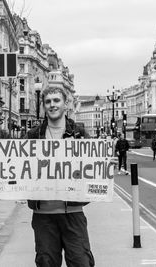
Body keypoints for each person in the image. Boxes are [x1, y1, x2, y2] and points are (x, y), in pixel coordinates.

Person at [25, 87, 94, 267]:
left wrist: (105, 163)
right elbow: (18, 163)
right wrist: (0, 166)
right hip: (43, 214)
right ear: (43, 106)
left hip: (73, 212)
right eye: (48, 102)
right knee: (46, 263)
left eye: (56, 100)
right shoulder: (33, 135)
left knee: (81, 262)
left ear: (65, 104)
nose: (52, 105)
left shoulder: (79, 134)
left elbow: (92, 163)